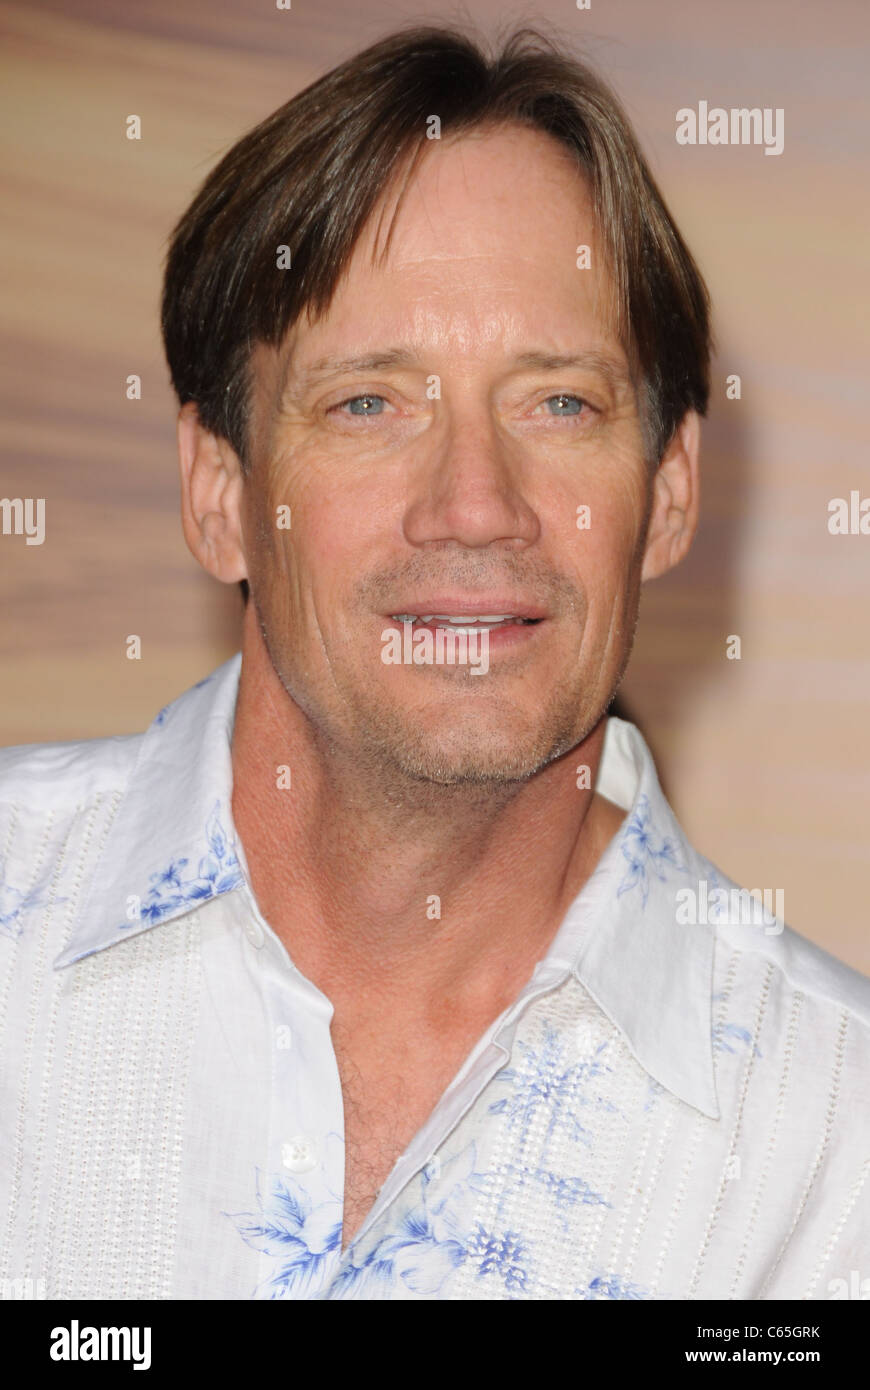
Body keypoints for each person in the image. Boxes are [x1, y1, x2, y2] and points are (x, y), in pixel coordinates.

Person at [1, 23, 867, 1303]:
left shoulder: (833, 1150)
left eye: (558, 401)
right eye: (369, 403)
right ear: (219, 490)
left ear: (670, 491)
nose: (474, 505)